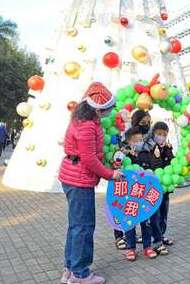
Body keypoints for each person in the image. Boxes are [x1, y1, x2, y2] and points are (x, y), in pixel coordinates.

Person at [58, 82, 123, 284]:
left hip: (73, 176)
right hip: (79, 180)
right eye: (109, 108)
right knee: (84, 227)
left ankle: (70, 268)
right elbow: (88, 159)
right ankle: (80, 273)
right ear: (97, 108)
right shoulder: (86, 125)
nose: (111, 111)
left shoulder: (85, 120)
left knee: (76, 226)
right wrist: (110, 174)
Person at [114, 127, 158, 261]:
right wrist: (122, 156)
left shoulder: (146, 153)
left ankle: (147, 246)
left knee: (146, 223)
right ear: (129, 142)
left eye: (141, 140)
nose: (139, 142)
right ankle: (130, 248)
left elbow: (152, 170)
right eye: (136, 140)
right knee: (130, 223)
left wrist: (155, 158)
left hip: (143, 196)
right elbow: (117, 168)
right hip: (129, 197)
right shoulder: (124, 156)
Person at [144, 121, 175, 249]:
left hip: (165, 188)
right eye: (159, 134)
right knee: (154, 215)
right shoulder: (147, 148)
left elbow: (172, 163)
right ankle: (156, 240)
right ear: (153, 133)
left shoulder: (166, 147)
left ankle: (161, 235)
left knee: (163, 213)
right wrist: (156, 156)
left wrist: (168, 150)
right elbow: (151, 167)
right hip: (153, 187)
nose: (161, 136)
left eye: (164, 134)